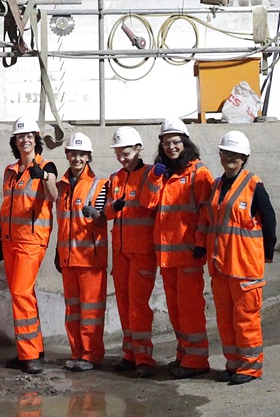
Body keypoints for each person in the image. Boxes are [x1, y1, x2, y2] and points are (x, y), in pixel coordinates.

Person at [140, 118, 215, 379]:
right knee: (176, 309)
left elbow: (207, 212)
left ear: (185, 142)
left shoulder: (198, 172)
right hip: (167, 255)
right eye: (166, 143)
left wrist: (200, 243)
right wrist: (154, 177)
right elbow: (147, 203)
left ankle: (197, 359)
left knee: (190, 309)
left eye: (175, 142)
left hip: (188, 254)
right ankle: (184, 354)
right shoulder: (164, 172)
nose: (171, 147)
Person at [208, 130, 276, 385]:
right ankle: (233, 363)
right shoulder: (216, 185)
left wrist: (267, 253)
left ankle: (251, 367)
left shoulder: (253, 185)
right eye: (227, 153)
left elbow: (269, 221)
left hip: (245, 266)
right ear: (221, 154)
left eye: (236, 155)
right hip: (221, 265)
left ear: (244, 157)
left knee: (246, 319)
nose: (231, 158)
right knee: (226, 320)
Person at [0, 116, 58, 373]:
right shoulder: (10, 171)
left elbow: (54, 195)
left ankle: (29, 356)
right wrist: (2, 238)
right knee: (23, 295)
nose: (25, 140)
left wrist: (44, 177)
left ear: (36, 139)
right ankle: (34, 348)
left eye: (29, 136)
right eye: (20, 136)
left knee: (21, 294)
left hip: (31, 242)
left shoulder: (47, 165)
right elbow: (8, 207)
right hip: (11, 241)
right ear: (15, 141)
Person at [105, 126, 157, 376]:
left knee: (138, 306)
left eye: (125, 153)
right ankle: (130, 354)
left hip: (142, 252)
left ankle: (144, 358)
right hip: (121, 252)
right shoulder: (115, 178)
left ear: (138, 149)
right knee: (124, 305)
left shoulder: (150, 175)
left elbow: (153, 204)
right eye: (118, 154)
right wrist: (113, 207)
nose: (121, 158)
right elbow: (105, 212)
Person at [55, 131, 108, 371]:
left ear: (88, 157)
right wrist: (58, 252)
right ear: (67, 155)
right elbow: (62, 223)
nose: (77, 158)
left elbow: (104, 218)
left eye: (81, 155)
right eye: (73, 154)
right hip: (67, 258)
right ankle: (77, 352)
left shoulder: (100, 185)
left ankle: (91, 354)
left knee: (91, 310)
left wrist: (96, 215)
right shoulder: (61, 187)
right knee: (73, 310)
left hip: (90, 258)